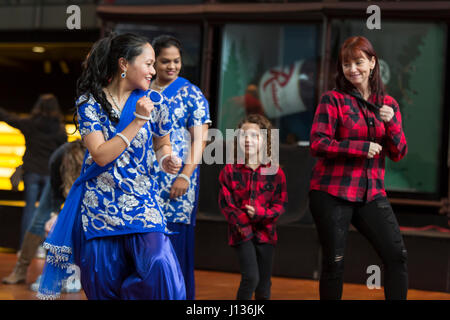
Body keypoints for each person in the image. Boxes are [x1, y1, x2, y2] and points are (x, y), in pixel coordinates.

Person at [37, 32, 186, 300]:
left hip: (142, 204)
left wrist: (167, 159)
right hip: (99, 210)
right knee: (103, 285)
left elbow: (162, 143)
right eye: (149, 63)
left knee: (160, 265)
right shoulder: (90, 104)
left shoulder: (156, 100)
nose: (154, 71)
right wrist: (138, 120)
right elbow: (102, 155)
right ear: (124, 64)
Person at [309, 36, 408, 300]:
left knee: (396, 256)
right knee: (334, 263)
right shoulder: (333, 100)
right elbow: (318, 144)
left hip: (371, 193)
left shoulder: (389, 105)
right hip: (331, 192)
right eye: (346, 63)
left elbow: (399, 153)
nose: (353, 69)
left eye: (359, 62)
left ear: (373, 63)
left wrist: (392, 125)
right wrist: (359, 147)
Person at [150, 35, 211, 300]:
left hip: (177, 183)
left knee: (173, 249)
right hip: (143, 181)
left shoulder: (191, 93)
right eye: (165, 61)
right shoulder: (141, 88)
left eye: (176, 61)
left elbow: (200, 139)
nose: (172, 66)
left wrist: (186, 176)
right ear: (153, 61)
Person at [218, 114, 287, 300]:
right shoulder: (230, 171)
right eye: (243, 135)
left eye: (255, 136)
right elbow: (227, 205)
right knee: (251, 278)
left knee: (264, 286)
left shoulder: (276, 172)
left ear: (265, 141)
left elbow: (280, 205)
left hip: (266, 234)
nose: (248, 140)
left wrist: (260, 213)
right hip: (242, 232)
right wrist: (244, 222)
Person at [2, 140, 85, 289]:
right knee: (40, 220)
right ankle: (20, 270)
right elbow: (55, 193)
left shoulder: (93, 157)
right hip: (58, 183)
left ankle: (74, 274)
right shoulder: (57, 159)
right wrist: (55, 214)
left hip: (86, 186)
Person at [0, 94, 67, 246]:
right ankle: (43, 246)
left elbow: (8, 118)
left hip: (31, 172)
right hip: (50, 174)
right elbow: (64, 151)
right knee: (47, 211)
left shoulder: (30, 123)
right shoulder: (59, 129)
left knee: (29, 210)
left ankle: (24, 247)